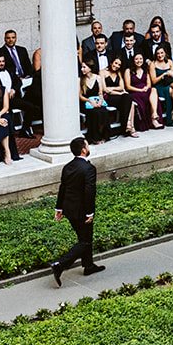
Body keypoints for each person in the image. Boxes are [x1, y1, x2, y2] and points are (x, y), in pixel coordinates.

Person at [51, 136, 104, 283]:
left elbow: (63, 188)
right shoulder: (89, 168)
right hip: (81, 211)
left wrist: (59, 207)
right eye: (87, 145)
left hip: (69, 209)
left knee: (85, 237)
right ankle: (60, 265)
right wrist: (90, 212)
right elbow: (89, 192)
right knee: (85, 241)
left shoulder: (68, 167)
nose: (88, 148)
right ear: (83, 150)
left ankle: (88, 266)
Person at [102, 57, 139, 138]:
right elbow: (104, 89)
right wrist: (120, 93)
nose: (117, 66)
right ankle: (130, 127)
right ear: (111, 62)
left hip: (118, 95)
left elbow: (121, 87)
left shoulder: (118, 73)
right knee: (128, 99)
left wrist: (112, 89)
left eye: (119, 65)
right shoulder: (102, 72)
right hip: (108, 97)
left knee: (130, 102)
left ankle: (129, 125)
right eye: (116, 63)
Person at [79, 60, 113, 142]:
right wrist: (90, 101)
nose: (81, 69)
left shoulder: (97, 78)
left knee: (104, 111)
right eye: (82, 67)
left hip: (97, 100)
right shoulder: (80, 79)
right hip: (86, 102)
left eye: (84, 67)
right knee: (94, 113)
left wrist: (100, 101)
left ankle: (105, 136)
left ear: (90, 68)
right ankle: (95, 137)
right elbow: (80, 96)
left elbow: (100, 93)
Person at [149, 45, 173, 126]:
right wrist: (163, 74)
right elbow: (154, 81)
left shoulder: (169, 62)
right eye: (158, 53)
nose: (160, 55)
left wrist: (171, 73)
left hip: (169, 83)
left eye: (162, 53)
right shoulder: (153, 64)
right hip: (159, 86)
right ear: (155, 55)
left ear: (165, 53)